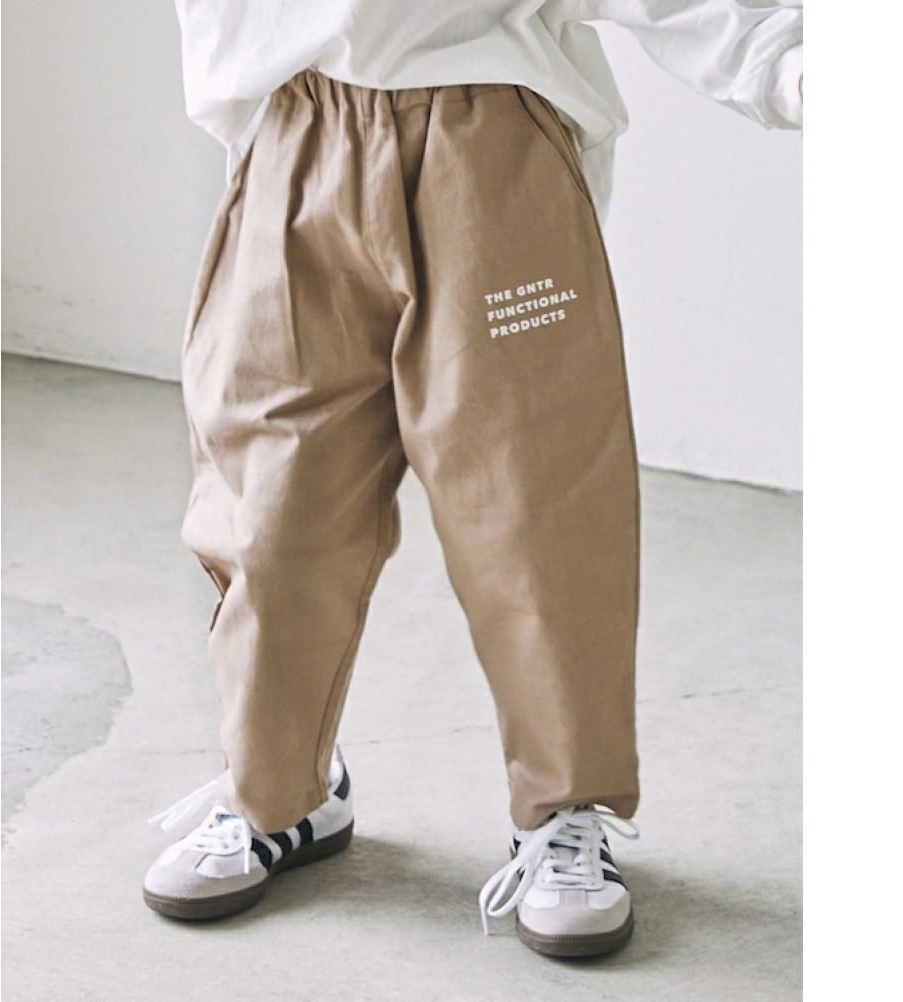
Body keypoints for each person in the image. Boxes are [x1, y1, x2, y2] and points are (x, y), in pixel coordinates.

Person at [142, 0, 803, 958]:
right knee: (271, 509)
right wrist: (247, 114)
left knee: (534, 507)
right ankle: (275, 793)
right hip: (297, 134)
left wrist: (787, 60)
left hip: (487, 144)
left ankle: (563, 810)